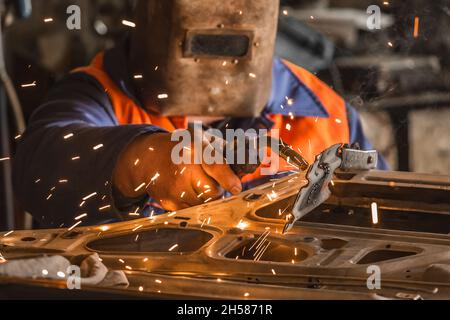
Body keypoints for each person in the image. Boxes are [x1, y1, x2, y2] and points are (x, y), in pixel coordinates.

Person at [12, 0, 388, 228]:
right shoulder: (98, 94)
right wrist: (144, 160)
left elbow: (383, 209)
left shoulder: (322, 109)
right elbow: (37, 167)